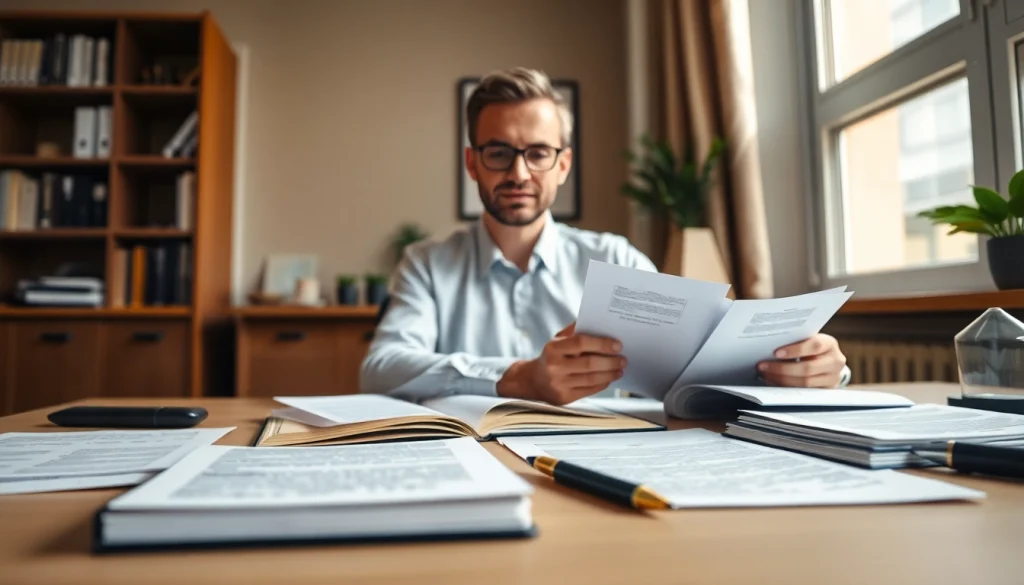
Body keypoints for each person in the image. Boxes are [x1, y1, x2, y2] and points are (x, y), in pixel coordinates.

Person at [360, 67, 849, 405]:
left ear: (563, 164)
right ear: (472, 162)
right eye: (498, 153)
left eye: (537, 153)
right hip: (469, 464)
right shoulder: (426, 263)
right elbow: (381, 367)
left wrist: (814, 369)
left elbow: (694, 362)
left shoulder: (614, 258)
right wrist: (518, 377)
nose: (519, 172)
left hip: (596, 461)